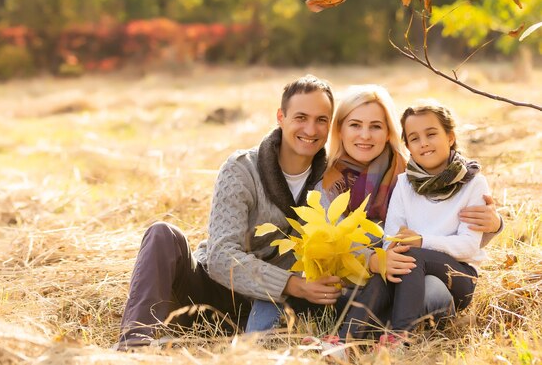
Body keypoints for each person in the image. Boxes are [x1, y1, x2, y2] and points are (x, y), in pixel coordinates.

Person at [246, 85, 502, 335]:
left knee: (433, 291)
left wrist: (494, 225)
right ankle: (371, 330)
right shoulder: (324, 182)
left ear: (389, 132)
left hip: (407, 278)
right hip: (352, 285)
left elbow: (449, 232)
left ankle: (387, 331)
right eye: (355, 125)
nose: (365, 136)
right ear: (341, 130)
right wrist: (372, 260)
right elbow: (326, 247)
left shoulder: (410, 173)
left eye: (376, 126)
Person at [117, 75, 343, 350]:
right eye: (301, 117)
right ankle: (133, 346)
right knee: (162, 234)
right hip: (210, 292)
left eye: (321, 119)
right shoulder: (241, 169)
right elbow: (221, 257)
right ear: (281, 117)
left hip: (268, 309)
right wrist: (293, 284)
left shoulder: (333, 179)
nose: (311, 128)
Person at [341, 102, 490, 345]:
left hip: (458, 278)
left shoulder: (474, 183)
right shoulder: (404, 183)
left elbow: (468, 246)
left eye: (431, 134)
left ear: (450, 137)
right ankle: (345, 339)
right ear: (408, 146)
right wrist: (396, 250)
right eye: (414, 138)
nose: (424, 143)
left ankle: (399, 337)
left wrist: (421, 241)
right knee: (396, 260)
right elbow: (392, 237)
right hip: (412, 271)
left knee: (410, 254)